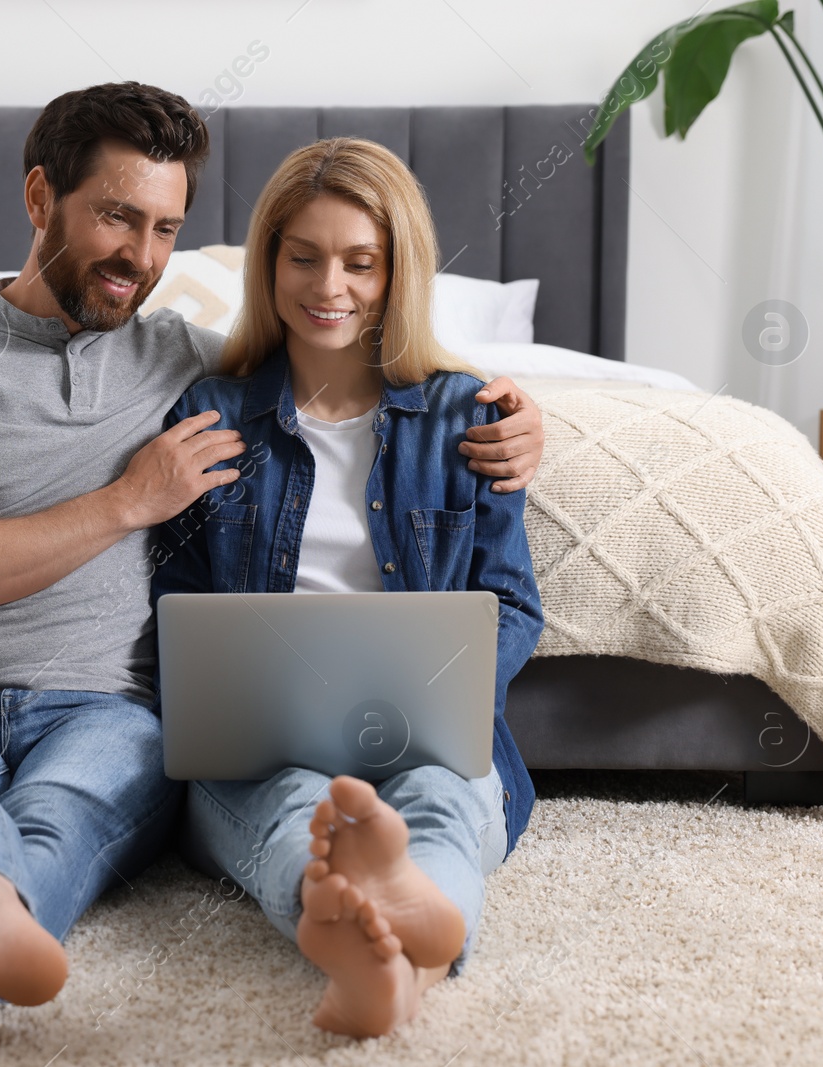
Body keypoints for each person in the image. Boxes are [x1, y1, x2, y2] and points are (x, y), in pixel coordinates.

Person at [0, 84, 547, 1045]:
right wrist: (130, 499)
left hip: (110, 709)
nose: (140, 257)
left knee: (84, 809)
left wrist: (515, 411)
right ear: (38, 197)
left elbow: (336, 357)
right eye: (115, 216)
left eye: (166, 229)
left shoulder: (194, 365)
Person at [149, 136, 545, 1038]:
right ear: (269, 263)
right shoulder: (208, 414)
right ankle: (399, 956)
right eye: (304, 257)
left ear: (397, 271)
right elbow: (169, 600)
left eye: (361, 262)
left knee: (441, 798)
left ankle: (389, 952)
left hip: (431, 740)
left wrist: (442, 698)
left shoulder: (471, 416)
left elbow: (512, 603)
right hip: (257, 749)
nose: (330, 286)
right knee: (293, 807)